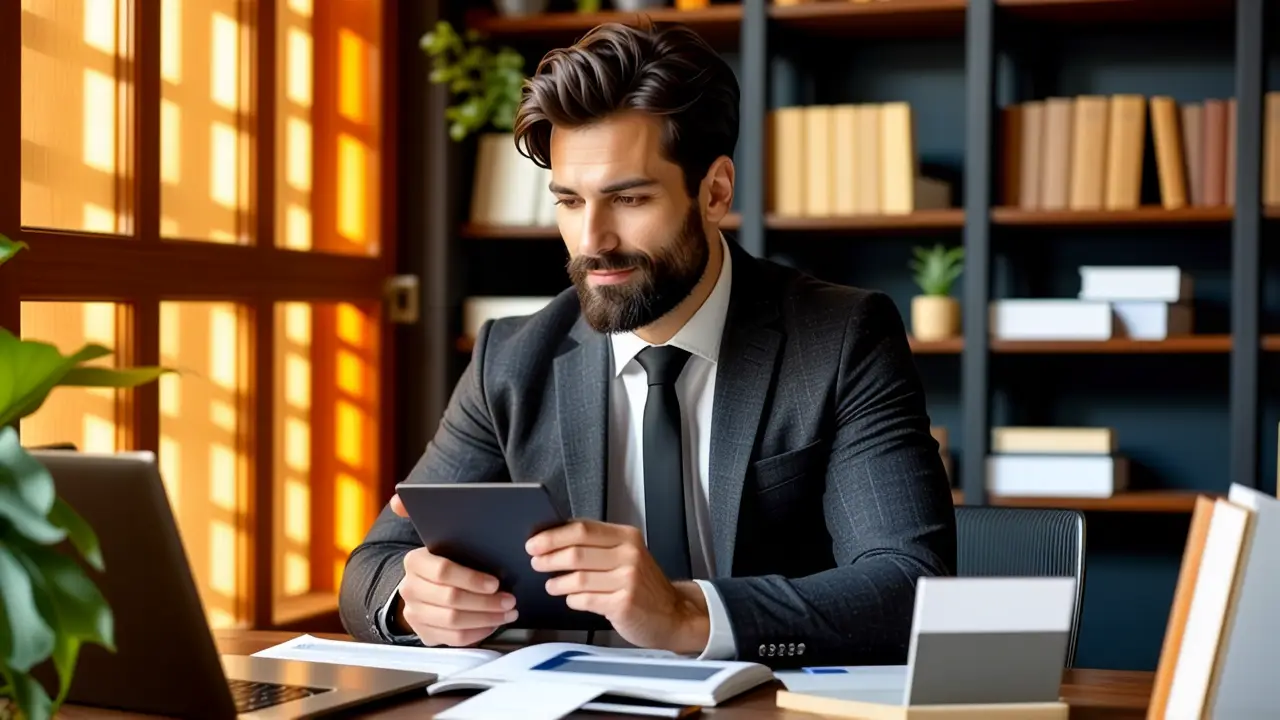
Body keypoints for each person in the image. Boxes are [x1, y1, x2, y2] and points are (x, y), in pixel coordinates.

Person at [338, 19, 955, 669]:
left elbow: (910, 586)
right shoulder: (512, 359)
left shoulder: (841, 339)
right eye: (569, 202)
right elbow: (369, 572)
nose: (593, 240)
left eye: (628, 198)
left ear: (714, 191)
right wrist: (413, 601)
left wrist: (687, 612)